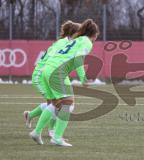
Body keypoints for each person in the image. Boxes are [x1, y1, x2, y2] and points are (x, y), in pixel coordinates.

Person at [29, 19, 99, 147]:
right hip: (57, 71)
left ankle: (37, 132)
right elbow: (78, 58)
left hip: (48, 69)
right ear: (94, 35)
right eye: (96, 38)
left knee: (56, 104)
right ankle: (56, 138)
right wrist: (83, 78)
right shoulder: (86, 42)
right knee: (68, 104)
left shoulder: (76, 40)